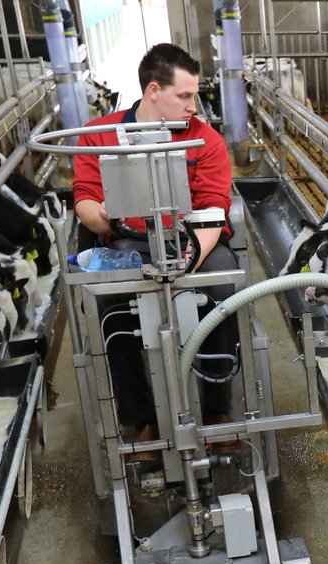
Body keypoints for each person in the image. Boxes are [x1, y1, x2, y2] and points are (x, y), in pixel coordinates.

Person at [72, 43, 238, 449]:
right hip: (128, 241)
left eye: (194, 94)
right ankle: (141, 417)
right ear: (152, 91)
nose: (193, 106)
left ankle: (216, 406)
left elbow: (214, 208)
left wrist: (194, 253)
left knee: (221, 288)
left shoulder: (205, 140)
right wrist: (114, 212)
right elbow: (86, 205)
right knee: (111, 306)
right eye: (184, 96)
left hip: (192, 237)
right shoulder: (99, 135)